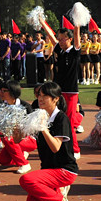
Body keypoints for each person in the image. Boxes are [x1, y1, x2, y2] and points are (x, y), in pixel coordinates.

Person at [18, 81, 78, 201]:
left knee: (26, 179)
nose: (40, 98)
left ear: (55, 99)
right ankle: (58, 191)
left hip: (64, 170)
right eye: (39, 95)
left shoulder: (61, 118)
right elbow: (18, 140)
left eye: (45, 96)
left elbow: (55, 147)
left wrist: (43, 128)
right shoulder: (40, 116)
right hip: (48, 169)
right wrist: (16, 129)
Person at [40, 22, 82, 159]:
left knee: (69, 121)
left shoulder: (75, 51)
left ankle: (75, 149)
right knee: (56, 117)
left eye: (63, 39)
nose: (60, 41)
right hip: (58, 91)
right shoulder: (60, 50)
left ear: (70, 39)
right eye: (59, 39)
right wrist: (42, 22)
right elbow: (51, 36)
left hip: (71, 92)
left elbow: (76, 33)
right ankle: (57, 144)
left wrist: (77, 22)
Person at [0, 80, 37, 174]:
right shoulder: (2, 106)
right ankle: (21, 153)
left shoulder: (25, 106)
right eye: (1, 90)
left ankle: (24, 164)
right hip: (12, 138)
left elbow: (33, 128)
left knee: (8, 139)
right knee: (3, 160)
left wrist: (19, 131)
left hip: (30, 138)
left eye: (4, 91)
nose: (1, 93)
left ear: (12, 92)